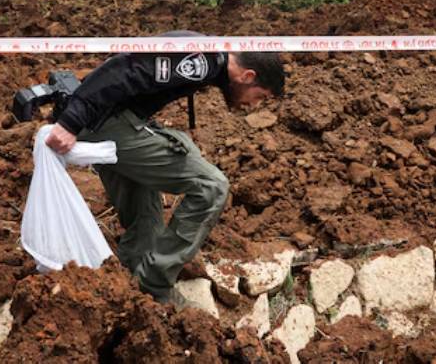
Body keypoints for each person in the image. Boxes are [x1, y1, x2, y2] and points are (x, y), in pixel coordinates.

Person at [45, 39, 285, 301]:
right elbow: (122, 69)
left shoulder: (209, 56)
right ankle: (154, 283)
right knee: (212, 186)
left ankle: (129, 281)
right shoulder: (203, 61)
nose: (254, 105)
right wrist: (71, 120)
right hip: (104, 122)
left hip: (107, 119)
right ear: (247, 76)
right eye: (259, 96)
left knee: (143, 203)